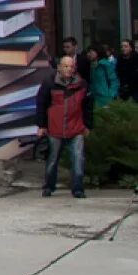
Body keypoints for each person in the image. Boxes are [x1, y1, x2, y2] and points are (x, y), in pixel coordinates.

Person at [36, 55, 93, 199]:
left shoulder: (83, 84)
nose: (69, 69)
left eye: (72, 66)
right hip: (55, 128)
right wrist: (42, 125)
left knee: (78, 158)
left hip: (76, 127)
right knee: (52, 159)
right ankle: (49, 187)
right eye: (66, 66)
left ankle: (78, 189)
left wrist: (88, 125)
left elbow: (88, 107)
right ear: (59, 67)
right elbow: (41, 104)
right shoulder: (49, 83)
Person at [91, 45, 120, 110]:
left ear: (97, 52)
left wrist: (110, 96)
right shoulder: (92, 66)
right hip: (95, 99)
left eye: (91, 52)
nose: (90, 54)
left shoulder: (105, 64)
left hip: (106, 98)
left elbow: (114, 81)